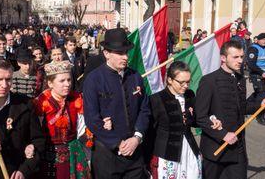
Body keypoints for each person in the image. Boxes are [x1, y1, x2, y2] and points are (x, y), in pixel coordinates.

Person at [194, 40, 265, 179]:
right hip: (215, 150)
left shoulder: (240, 79)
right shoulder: (208, 81)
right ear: (223, 58)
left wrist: (261, 104)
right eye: (235, 57)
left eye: (242, 57)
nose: (240, 61)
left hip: (238, 150)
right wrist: (223, 134)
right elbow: (200, 116)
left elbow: (241, 108)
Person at [83, 28, 150, 179]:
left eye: (126, 52)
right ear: (106, 53)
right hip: (107, 154)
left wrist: (137, 137)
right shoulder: (94, 79)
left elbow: (144, 109)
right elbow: (92, 119)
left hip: (135, 154)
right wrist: (118, 143)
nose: (125, 57)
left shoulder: (135, 76)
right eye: (120, 53)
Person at [147, 61, 222, 179]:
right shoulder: (156, 100)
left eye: (188, 82)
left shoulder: (190, 95)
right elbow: (150, 133)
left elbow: (198, 119)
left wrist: (211, 119)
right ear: (170, 80)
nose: (186, 86)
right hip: (166, 154)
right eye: (182, 82)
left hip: (190, 151)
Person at [33, 60, 91, 179]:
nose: (67, 84)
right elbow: (36, 130)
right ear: (50, 83)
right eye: (62, 81)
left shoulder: (76, 98)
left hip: (74, 152)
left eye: (69, 80)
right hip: (49, 154)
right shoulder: (42, 101)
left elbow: (81, 128)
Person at [247, 33, 265, 126]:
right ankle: (260, 117)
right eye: (263, 39)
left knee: (257, 94)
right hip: (257, 76)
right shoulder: (253, 49)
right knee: (262, 97)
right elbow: (251, 65)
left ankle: (244, 106)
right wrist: (261, 72)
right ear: (258, 40)